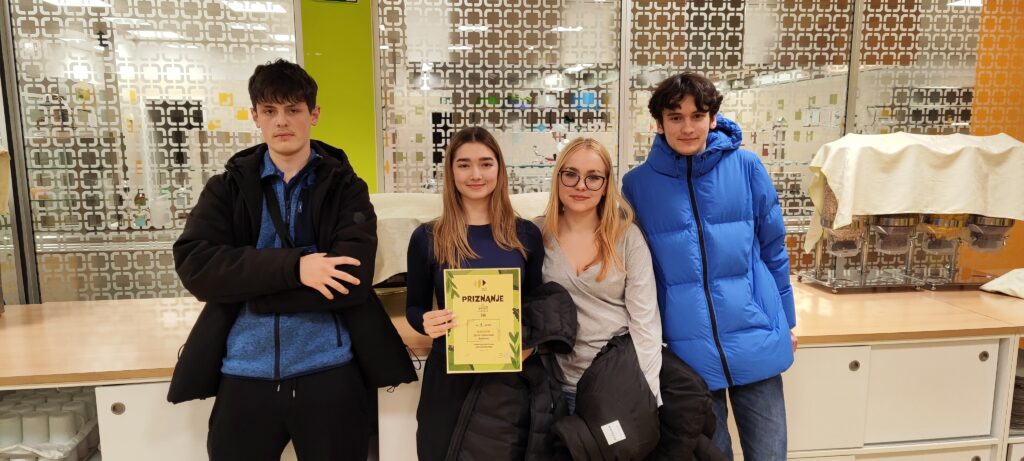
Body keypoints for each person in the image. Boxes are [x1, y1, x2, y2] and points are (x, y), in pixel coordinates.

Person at [170, 59, 415, 461]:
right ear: (255, 116)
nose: (281, 121)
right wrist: (298, 268)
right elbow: (197, 268)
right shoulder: (226, 189)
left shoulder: (346, 188)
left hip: (330, 371)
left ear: (313, 114)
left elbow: (350, 280)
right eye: (270, 110)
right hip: (243, 372)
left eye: (293, 109)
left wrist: (249, 287)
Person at [622, 72, 797, 460]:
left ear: (712, 118)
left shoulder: (747, 167)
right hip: (687, 354)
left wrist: (788, 321)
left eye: (697, 116)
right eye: (675, 117)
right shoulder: (637, 185)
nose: (687, 127)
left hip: (756, 337)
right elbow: (635, 271)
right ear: (659, 123)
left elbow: (773, 250)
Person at [405, 126, 545, 461]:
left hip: (507, 381)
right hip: (448, 378)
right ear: (451, 171)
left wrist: (531, 344)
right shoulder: (427, 237)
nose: (476, 174)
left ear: (499, 168)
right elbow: (415, 306)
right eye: (464, 164)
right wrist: (426, 322)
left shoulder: (525, 234)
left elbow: (537, 305)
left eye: (485, 163)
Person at [534, 137, 662, 414]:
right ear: (558, 178)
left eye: (593, 177)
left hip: (616, 384)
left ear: (605, 186)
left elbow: (645, 323)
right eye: (571, 174)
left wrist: (646, 394)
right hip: (553, 390)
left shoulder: (627, 237)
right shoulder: (536, 234)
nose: (581, 185)